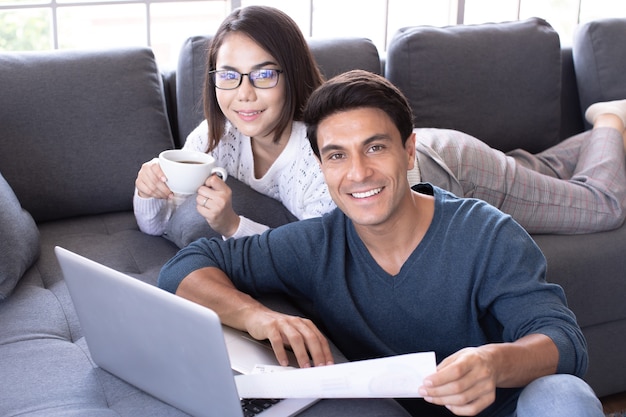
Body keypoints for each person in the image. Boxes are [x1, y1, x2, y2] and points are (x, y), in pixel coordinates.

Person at [158, 70, 604, 417]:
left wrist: (492, 364)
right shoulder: (317, 244)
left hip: (500, 409)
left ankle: (608, 130)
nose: (358, 173)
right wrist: (259, 318)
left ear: (409, 152)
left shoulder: (486, 234)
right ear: (321, 166)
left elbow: (564, 341)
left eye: (375, 148)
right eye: (337, 155)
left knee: (563, 394)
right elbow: (187, 267)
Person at [133, 6, 335, 241]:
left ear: (293, 75)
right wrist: (148, 192)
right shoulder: (212, 138)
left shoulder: (322, 157)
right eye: (228, 76)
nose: (244, 94)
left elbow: (316, 255)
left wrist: (232, 226)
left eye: (264, 75)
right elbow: (160, 226)